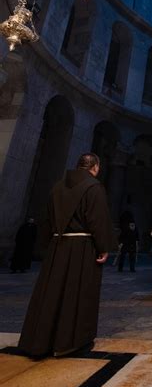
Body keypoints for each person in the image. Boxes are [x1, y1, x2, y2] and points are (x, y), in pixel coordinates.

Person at [18, 153, 114, 358]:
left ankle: (42, 340)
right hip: (82, 248)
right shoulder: (93, 187)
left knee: (51, 294)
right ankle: (72, 342)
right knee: (77, 293)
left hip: (57, 246)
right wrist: (103, 247)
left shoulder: (58, 186)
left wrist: (47, 245)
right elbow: (97, 220)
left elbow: (48, 218)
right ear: (95, 167)